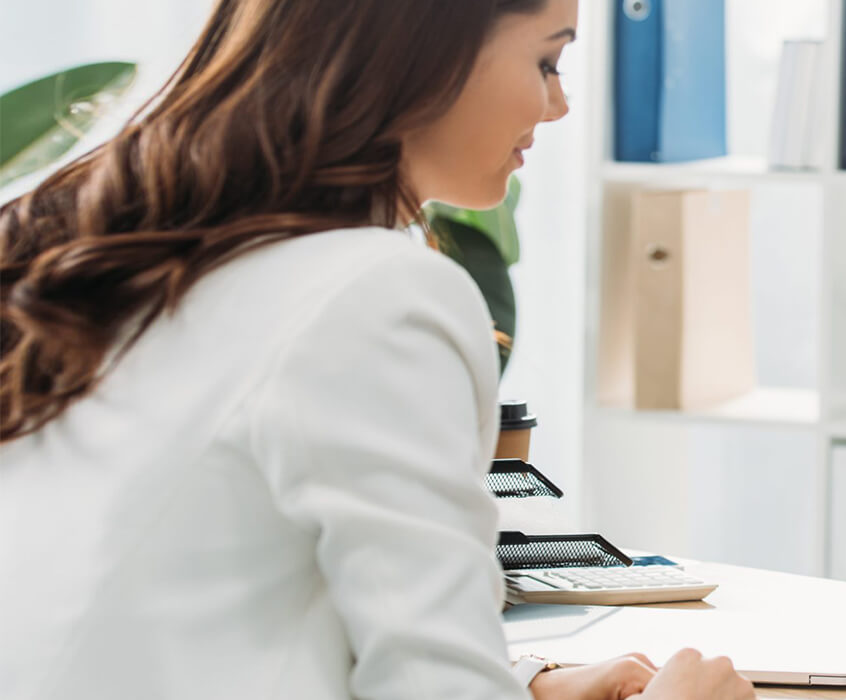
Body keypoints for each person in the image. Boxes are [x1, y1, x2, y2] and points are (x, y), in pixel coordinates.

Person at [0, 1, 752, 699]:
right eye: (547, 63)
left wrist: (519, 682)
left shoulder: (122, 252)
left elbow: (203, 604)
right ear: (425, 53)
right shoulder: (376, 293)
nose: (558, 106)